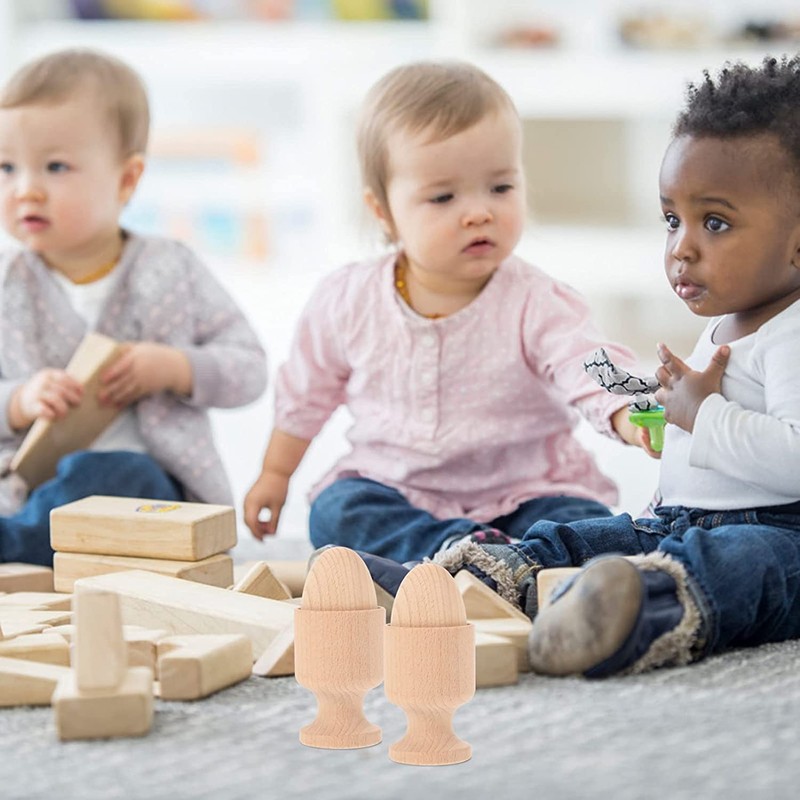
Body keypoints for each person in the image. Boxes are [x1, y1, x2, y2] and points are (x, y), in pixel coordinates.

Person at [437, 55, 800, 678]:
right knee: (605, 534)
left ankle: (644, 609)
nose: (681, 246)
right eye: (671, 219)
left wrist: (705, 415)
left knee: (743, 565)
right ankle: (485, 579)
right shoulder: (729, 318)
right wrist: (669, 411)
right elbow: (718, 437)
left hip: (780, 533)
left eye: (714, 222)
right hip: (685, 520)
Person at [244, 61, 653, 566]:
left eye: (500, 188)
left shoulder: (536, 300)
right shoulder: (348, 300)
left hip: (527, 491)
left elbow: (586, 364)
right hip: (398, 489)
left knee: (577, 519)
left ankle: (488, 564)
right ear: (384, 212)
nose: (479, 211)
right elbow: (304, 394)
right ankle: (470, 557)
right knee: (336, 513)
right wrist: (275, 475)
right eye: (443, 196)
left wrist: (628, 413)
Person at [0, 49, 267, 565]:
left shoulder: (170, 267)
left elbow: (250, 368)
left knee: (113, 474)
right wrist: (19, 400)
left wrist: (176, 367)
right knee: (61, 486)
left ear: (126, 180)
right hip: (27, 489)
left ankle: (18, 547)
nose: (25, 189)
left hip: (149, 493)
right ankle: (31, 540)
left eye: (55, 167)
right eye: (5, 167)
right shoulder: (7, 283)